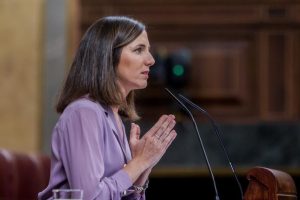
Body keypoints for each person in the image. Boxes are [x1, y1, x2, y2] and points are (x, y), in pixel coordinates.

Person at [38, 16, 177, 200]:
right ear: (108, 56)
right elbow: (90, 197)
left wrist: (144, 166)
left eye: (148, 50)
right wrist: (138, 162)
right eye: (138, 50)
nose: (151, 60)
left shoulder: (113, 116)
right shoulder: (83, 112)